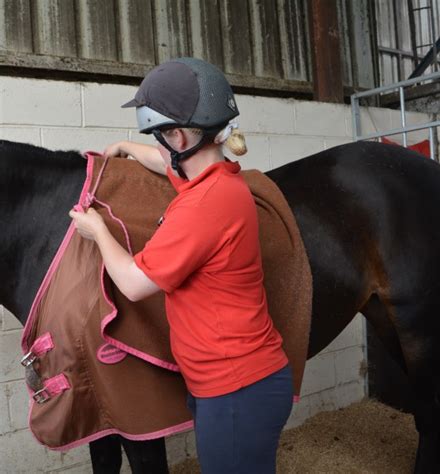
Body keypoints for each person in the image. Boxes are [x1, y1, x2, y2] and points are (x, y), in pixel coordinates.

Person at [69, 57, 293, 474]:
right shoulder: (220, 179)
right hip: (239, 383)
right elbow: (169, 165)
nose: (157, 148)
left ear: (178, 135)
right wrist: (125, 149)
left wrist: (98, 230)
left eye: (158, 137)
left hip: (235, 391)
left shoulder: (202, 206)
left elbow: (134, 283)